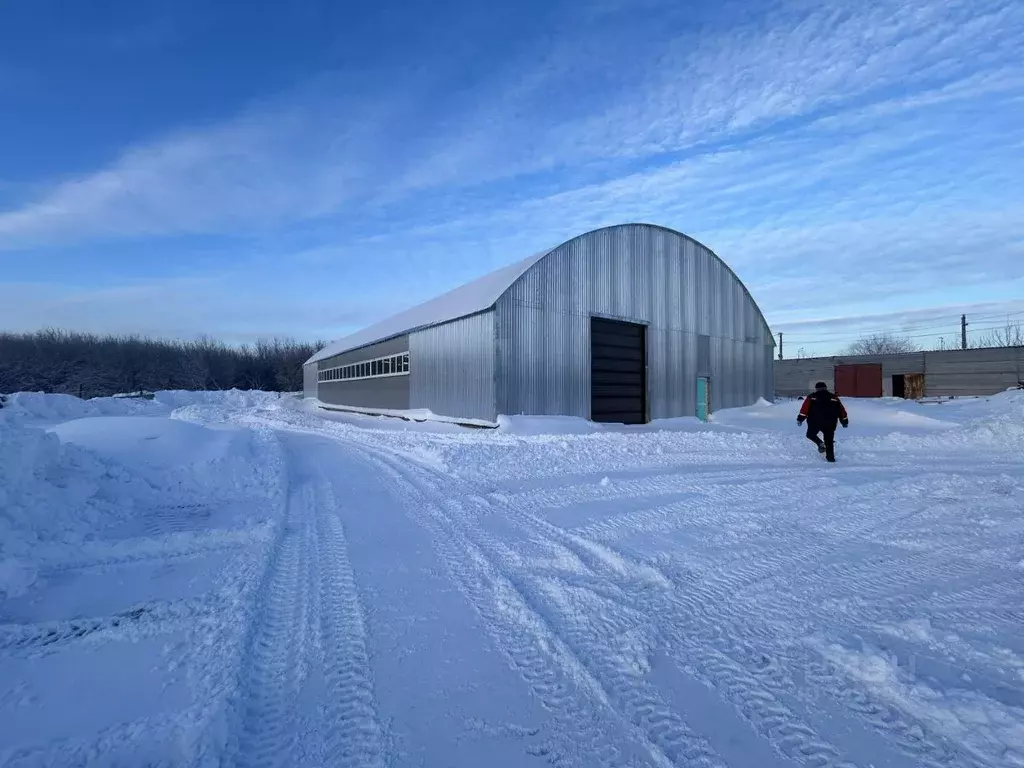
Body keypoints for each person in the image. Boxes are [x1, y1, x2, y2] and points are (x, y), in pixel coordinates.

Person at [796, 381, 849, 462]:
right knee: (829, 440)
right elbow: (841, 410)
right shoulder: (834, 397)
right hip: (830, 422)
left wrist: (800, 419)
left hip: (815, 421)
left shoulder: (812, 397)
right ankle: (831, 459)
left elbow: (804, 409)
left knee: (810, 434)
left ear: (817, 389)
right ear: (826, 388)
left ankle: (820, 443)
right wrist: (844, 421)